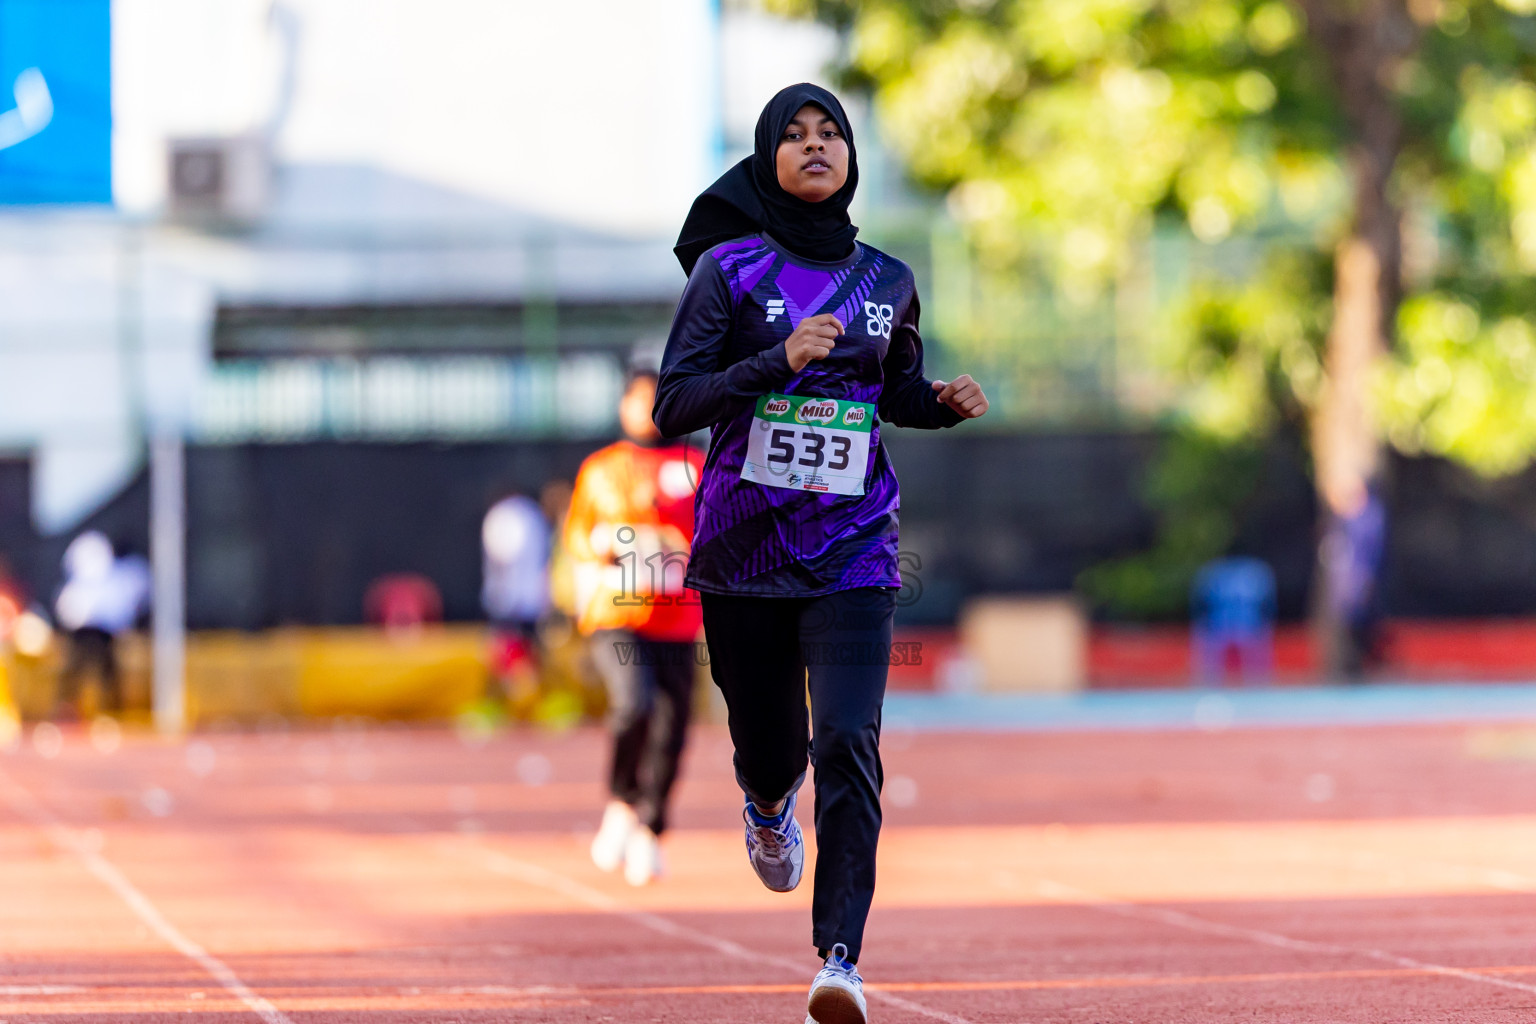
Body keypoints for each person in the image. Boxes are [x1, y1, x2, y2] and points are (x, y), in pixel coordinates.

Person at [656, 84, 988, 1024]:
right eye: (793, 136)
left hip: (853, 551)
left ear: (850, 157)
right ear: (766, 160)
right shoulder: (726, 272)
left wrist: (939, 405)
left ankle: (840, 960)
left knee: (849, 739)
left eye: (829, 132)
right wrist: (777, 362)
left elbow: (894, 391)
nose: (814, 146)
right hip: (743, 549)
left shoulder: (888, 280)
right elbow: (673, 405)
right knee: (776, 746)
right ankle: (767, 804)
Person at [565, 368, 705, 886]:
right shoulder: (601, 470)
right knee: (633, 703)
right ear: (623, 406)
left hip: (678, 616)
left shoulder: (695, 465)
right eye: (640, 401)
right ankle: (622, 799)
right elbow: (578, 537)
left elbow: (715, 531)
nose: (648, 411)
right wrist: (610, 544)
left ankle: (650, 828)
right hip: (615, 614)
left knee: (673, 724)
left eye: (658, 401)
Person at [54, 532, 150, 718]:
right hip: (82, 631)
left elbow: (125, 607)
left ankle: (110, 710)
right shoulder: (81, 584)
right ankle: (68, 710)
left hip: (102, 632)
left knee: (105, 673)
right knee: (76, 672)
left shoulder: (117, 577)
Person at [480, 492, 552, 714]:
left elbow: (505, 554)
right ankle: (499, 704)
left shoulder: (511, 516)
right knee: (504, 653)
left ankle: (540, 703)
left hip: (518, 599)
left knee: (526, 652)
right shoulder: (524, 515)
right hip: (517, 598)